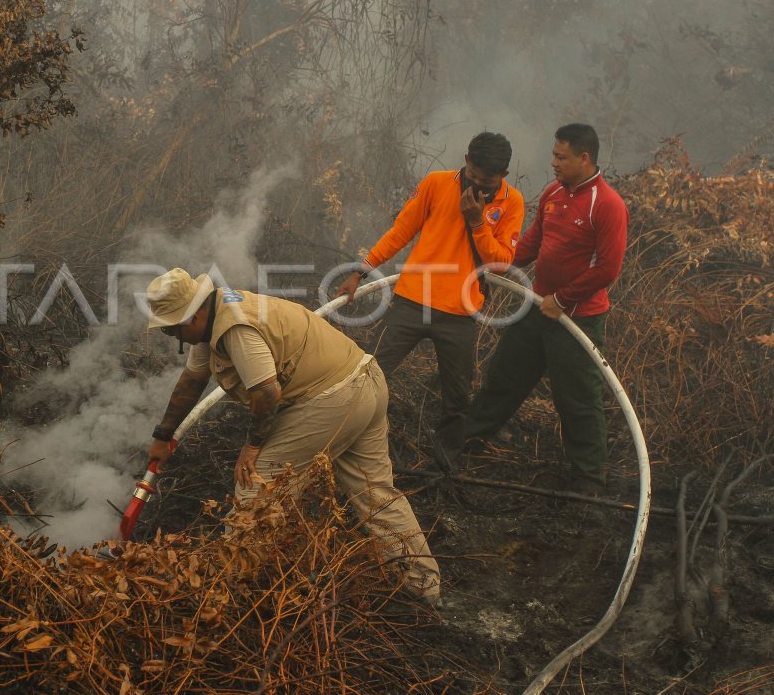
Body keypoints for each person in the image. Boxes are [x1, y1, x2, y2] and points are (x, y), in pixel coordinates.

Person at [144, 268, 441, 604]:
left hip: (335, 397)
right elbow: (191, 382)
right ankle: (424, 586)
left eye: (172, 328)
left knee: (256, 483)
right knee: (376, 495)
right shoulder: (214, 317)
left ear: (193, 314)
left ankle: (234, 592)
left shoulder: (236, 327)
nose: (172, 336)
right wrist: (163, 435)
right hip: (366, 380)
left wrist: (253, 445)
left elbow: (267, 394)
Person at [435, 124, 629, 493]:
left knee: (577, 399)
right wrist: (491, 269)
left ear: (584, 158)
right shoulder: (554, 192)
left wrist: (565, 299)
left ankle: (588, 479)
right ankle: (467, 444)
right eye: (554, 155)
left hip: (577, 318)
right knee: (502, 379)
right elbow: (529, 246)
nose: (553, 162)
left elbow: (607, 268)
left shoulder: (606, 205)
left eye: (561, 156)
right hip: (536, 306)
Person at [336, 132, 524, 462]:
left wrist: (478, 222)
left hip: (461, 312)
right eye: (474, 176)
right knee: (369, 372)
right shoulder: (437, 184)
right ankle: (341, 441)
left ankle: (446, 463)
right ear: (466, 160)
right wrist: (361, 270)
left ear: (503, 176)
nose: (479, 185)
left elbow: (502, 264)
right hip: (412, 300)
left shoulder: (512, 202)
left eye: (488, 181)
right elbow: (401, 230)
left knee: (457, 396)